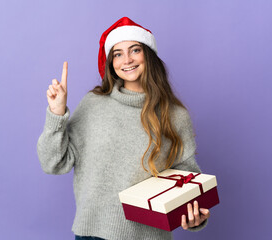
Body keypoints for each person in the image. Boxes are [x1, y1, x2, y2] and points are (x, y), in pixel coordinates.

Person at [37, 17, 210, 240]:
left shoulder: (175, 115)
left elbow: (188, 182)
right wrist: (57, 113)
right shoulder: (93, 104)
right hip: (92, 234)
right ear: (111, 62)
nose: (126, 59)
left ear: (148, 54)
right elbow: (53, 163)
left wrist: (196, 217)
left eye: (135, 50)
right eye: (117, 53)